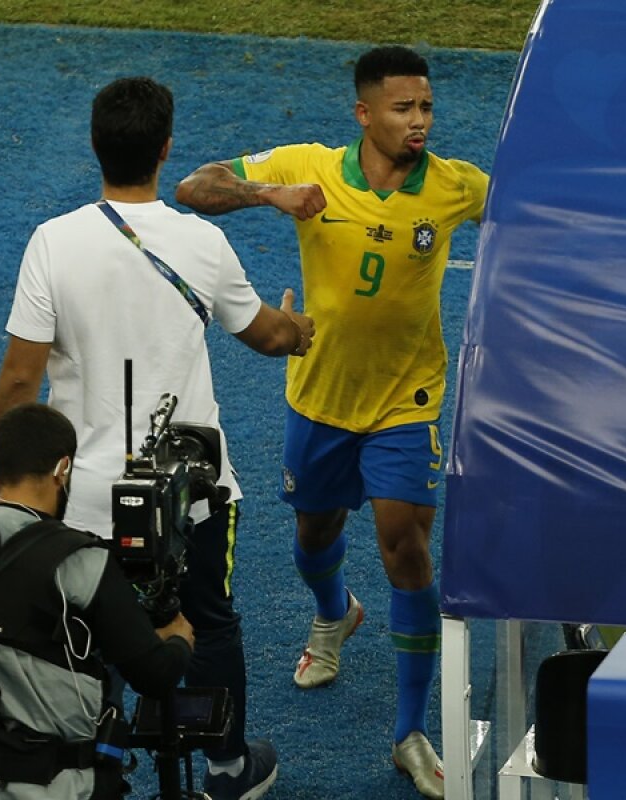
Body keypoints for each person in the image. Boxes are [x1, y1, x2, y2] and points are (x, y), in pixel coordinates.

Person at [174, 45, 489, 799]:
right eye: (403, 108)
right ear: (364, 113)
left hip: (406, 400)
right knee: (314, 536)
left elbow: (534, 207)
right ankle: (333, 614)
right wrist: (271, 195)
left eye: (426, 107)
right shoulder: (306, 164)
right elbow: (194, 187)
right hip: (318, 397)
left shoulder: (453, 187)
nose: (419, 121)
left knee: (405, 545)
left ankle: (410, 731)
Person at [0, 76, 313, 800]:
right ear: (165, 150)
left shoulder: (52, 243)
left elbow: (19, 381)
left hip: (82, 503)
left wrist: (3, 479)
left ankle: (95, 765)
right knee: (209, 624)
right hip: (191, 491)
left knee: (83, 633)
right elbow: (265, 334)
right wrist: (301, 330)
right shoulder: (203, 241)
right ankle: (226, 768)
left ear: (97, 147)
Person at [0, 403, 195, 799]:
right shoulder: (85, 561)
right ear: (63, 469)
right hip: (64, 786)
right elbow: (155, 676)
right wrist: (178, 639)